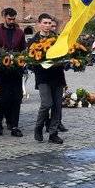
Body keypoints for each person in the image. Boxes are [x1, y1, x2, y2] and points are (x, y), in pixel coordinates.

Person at [0, 8, 26, 137]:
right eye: (9, 18)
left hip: (16, 70)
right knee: (5, 98)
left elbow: (23, 50)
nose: (11, 21)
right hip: (2, 71)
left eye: (13, 19)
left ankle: (14, 125)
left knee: (17, 98)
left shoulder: (20, 32)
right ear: (4, 17)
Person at [30, 13, 66, 144]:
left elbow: (64, 54)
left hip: (57, 76)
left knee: (57, 106)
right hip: (43, 77)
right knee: (47, 104)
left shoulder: (57, 39)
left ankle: (53, 133)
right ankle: (38, 127)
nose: (47, 26)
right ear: (39, 24)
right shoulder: (33, 41)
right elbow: (31, 61)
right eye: (44, 23)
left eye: (49, 23)